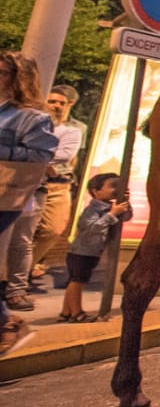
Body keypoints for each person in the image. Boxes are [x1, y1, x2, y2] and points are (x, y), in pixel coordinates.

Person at [0, 51, 58, 355]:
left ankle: (9, 322)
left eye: (2, 72)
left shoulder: (32, 117)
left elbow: (40, 157)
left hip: (6, 195)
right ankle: (8, 322)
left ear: (18, 79)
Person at [19, 85, 86, 296]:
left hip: (59, 182)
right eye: (52, 101)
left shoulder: (76, 128)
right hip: (32, 183)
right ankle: (17, 276)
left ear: (69, 105)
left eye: (61, 103)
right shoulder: (33, 122)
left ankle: (24, 269)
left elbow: (69, 155)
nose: (56, 106)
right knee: (22, 232)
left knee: (53, 230)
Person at [60, 173, 132, 321]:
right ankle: (76, 313)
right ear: (96, 191)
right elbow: (92, 228)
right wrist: (112, 214)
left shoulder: (110, 207)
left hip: (91, 252)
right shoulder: (92, 210)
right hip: (82, 252)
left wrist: (125, 203)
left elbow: (126, 217)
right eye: (112, 186)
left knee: (75, 281)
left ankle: (66, 312)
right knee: (78, 282)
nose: (116, 189)